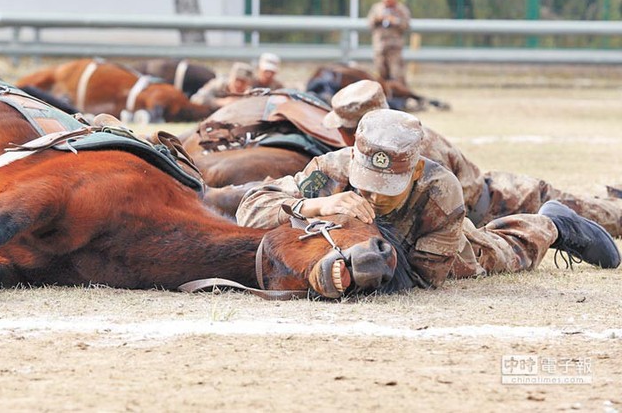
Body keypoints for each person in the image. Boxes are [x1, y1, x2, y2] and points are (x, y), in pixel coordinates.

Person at [237, 109, 620, 289]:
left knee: (507, 253)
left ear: (415, 172)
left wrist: (362, 237)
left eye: (386, 188)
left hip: (447, 248)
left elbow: (423, 277)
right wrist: (316, 206)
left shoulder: (440, 189)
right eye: (365, 183)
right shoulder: (330, 170)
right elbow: (250, 212)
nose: (371, 195)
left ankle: (553, 222)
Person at [319, 80, 622, 237]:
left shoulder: (408, 152)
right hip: (493, 195)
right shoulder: (400, 135)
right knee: (590, 208)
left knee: (601, 216)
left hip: (501, 203)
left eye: (346, 129)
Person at [367, 0, 411, 84]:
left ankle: (398, 94)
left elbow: (406, 25)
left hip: (394, 47)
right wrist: (378, 19)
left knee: (396, 73)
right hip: (380, 46)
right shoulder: (377, 8)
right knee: (380, 72)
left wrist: (395, 21)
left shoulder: (401, 9)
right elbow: (370, 24)